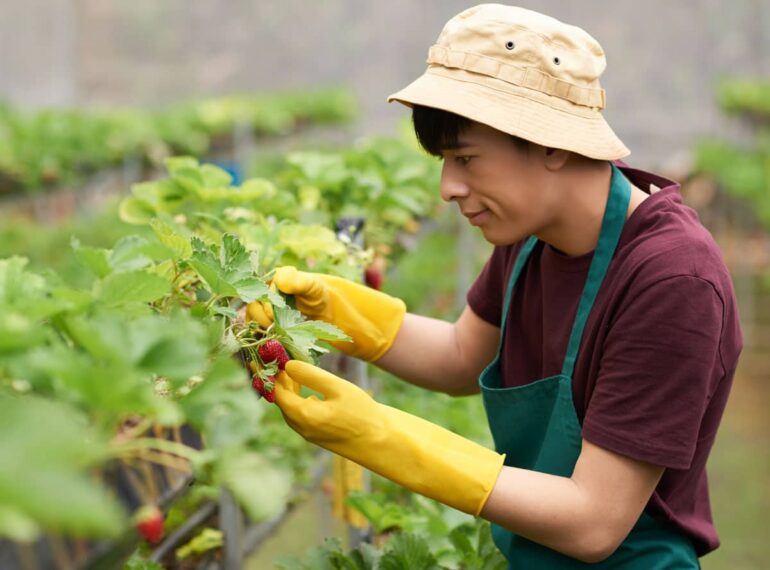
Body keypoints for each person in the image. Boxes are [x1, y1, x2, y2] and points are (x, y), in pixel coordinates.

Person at [267, 4, 743, 567]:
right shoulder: (531, 232)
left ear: (552, 145)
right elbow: (460, 356)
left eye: (465, 158)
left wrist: (379, 436)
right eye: (445, 160)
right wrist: (341, 316)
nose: (448, 187)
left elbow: (594, 521)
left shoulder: (671, 279)